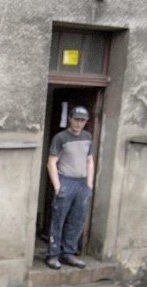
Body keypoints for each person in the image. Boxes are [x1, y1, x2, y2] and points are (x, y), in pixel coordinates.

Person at [45, 105, 95, 269]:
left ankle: (68, 253)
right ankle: (53, 255)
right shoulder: (60, 138)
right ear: (70, 119)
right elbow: (51, 162)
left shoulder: (88, 137)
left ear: (86, 122)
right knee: (59, 219)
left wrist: (89, 184)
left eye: (82, 120)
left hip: (82, 182)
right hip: (66, 180)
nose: (79, 123)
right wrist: (58, 186)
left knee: (76, 219)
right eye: (76, 119)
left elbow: (90, 161)